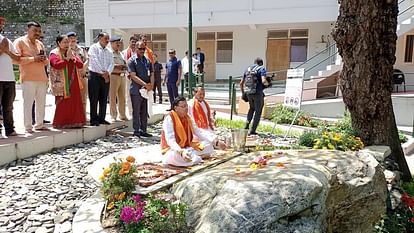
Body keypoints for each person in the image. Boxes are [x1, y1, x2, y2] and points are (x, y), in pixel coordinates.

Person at [160, 96, 226, 167]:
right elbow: (170, 140)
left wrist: (216, 141)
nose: (186, 108)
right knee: (173, 156)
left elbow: (199, 132)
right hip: (173, 150)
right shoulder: (169, 119)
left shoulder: (188, 118)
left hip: (187, 148)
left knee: (208, 144)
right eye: (183, 106)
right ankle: (196, 157)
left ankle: (193, 157)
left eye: (186, 106)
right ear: (176, 108)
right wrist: (181, 152)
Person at [13, 21, 49, 133]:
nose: (37, 33)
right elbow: (15, 60)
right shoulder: (20, 42)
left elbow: (46, 61)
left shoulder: (40, 44)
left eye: (39, 31)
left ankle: (39, 124)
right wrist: (33, 59)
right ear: (27, 30)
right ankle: (28, 126)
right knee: (28, 103)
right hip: (28, 78)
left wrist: (43, 59)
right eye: (35, 31)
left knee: (41, 103)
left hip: (42, 78)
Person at [49, 35, 86, 128]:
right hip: (61, 83)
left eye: (67, 42)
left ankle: (75, 122)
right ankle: (61, 123)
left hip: (73, 82)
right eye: (64, 42)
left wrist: (73, 59)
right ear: (58, 43)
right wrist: (66, 59)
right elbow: (56, 65)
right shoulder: (54, 53)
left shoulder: (72, 53)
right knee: (62, 104)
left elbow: (80, 64)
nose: (67, 44)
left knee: (74, 103)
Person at [127, 41, 153, 137]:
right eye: (140, 49)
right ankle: (136, 130)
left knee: (144, 111)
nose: (142, 51)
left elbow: (152, 72)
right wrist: (145, 84)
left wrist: (151, 85)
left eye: (143, 49)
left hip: (146, 90)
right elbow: (133, 76)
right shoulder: (131, 61)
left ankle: (144, 130)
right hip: (136, 90)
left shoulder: (147, 60)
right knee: (136, 111)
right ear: (136, 48)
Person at [87, 32, 113, 126]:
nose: (107, 41)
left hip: (105, 77)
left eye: (108, 39)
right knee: (94, 98)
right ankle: (94, 119)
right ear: (100, 38)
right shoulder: (93, 48)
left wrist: (107, 73)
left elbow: (111, 63)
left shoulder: (109, 51)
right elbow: (94, 61)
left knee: (103, 98)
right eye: (105, 38)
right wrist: (103, 73)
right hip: (95, 75)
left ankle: (102, 118)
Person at [0, 16, 19, 136]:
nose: (1, 26)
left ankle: (10, 129)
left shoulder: (6, 40)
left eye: (2, 24)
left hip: (10, 78)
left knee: (8, 106)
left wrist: (7, 51)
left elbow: (17, 58)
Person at [240, 57, 268, 135]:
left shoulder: (247, 69)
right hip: (257, 93)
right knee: (258, 111)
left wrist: (243, 93)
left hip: (248, 93)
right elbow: (263, 81)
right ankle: (252, 130)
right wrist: (268, 84)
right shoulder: (261, 68)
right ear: (261, 63)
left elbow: (241, 83)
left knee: (251, 109)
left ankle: (246, 126)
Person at [67, 31, 89, 113]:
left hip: (82, 76)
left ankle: (83, 115)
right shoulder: (66, 50)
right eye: (70, 38)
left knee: (83, 98)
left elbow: (87, 59)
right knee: (72, 98)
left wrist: (83, 68)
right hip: (72, 78)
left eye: (74, 38)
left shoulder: (82, 49)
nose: (72, 40)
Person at [109, 35, 128, 122]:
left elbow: (125, 65)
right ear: (112, 43)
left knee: (122, 97)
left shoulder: (121, 54)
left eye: (119, 43)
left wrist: (121, 67)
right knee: (113, 97)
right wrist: (120, 66)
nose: (118, 44)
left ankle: (122, 115)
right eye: (116, 43)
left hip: (122, 76)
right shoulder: (109, 53)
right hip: (113, 76)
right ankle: (113, 115)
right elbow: (112, 66)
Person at [122, 35, 138, 119]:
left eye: (135, 42)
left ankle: (137, 112)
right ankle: (131, 112)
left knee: (137, 95)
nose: (134, 44)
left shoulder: (138, 53)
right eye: (132, 42)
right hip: (128, 76)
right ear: (129, 42)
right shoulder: (124, 52)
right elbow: (124, 65)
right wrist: (128, 73)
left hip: (137, 77)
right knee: (128, 95)